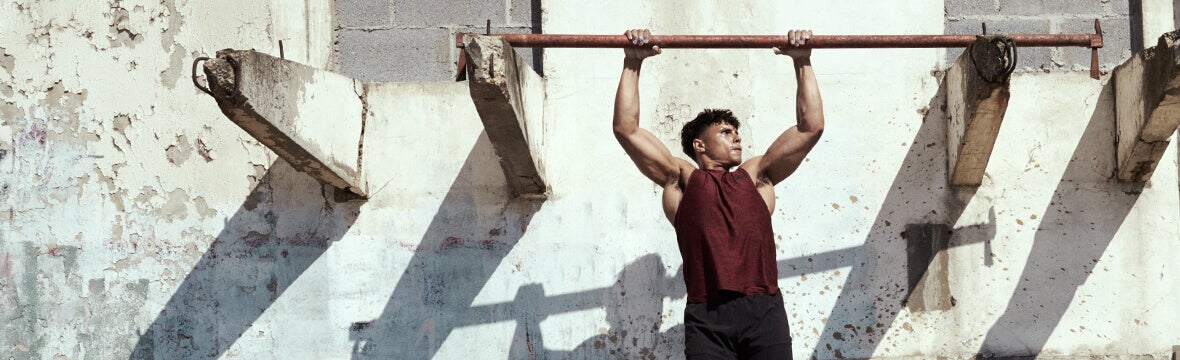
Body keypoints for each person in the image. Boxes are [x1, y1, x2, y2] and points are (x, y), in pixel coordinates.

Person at [611, 28, 824, 359]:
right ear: (699, 145)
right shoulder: (681, 180)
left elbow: (811, 127)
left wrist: (802, 60)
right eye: (726, 132)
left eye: (737, 132)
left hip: (764, 311)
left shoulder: (756, 177)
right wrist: (632, 62)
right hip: (707, 316)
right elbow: (627, 130)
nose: (737, 137)